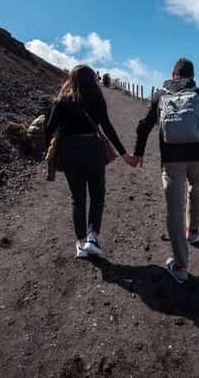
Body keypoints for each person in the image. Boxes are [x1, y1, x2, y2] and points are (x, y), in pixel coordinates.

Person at [131, 58, 199, 283]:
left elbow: (143, 126)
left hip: (171, 160)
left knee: (174, 211)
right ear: (192, 76)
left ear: (172, 74)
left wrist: (139, 153)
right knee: (197, 188)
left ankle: (181, 266)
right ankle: (193, 231)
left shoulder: (160, 96)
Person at [46, 65, 134, 259]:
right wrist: (123, 153)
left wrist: (49, 152)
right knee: (97, 195)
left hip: (69, 150)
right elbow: (108, 128)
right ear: (93, 79)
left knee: (77, 199)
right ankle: (92, 238)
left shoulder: (62, 101)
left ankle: (79, 244)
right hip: (92, 148)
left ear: (72, 79)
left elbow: (49, 128)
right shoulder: (96, 98)